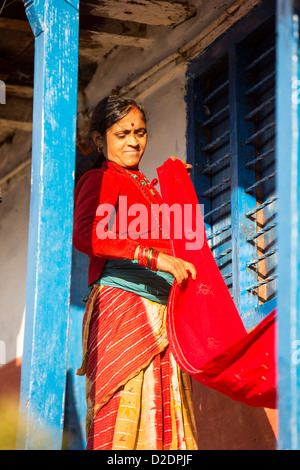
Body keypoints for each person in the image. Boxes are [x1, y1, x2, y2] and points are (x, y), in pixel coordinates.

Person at [73, 95, 198, 450]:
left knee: (164, 412)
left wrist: (174, 188)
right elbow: (86, 234)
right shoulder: (99, 178)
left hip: (163, 310)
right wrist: (153, 258)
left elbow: (166, 235)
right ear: (100, 140)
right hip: (125, 305)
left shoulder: (143, 184)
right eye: (122, 134)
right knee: (125, 408)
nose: (133, 141)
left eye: (140, 133)